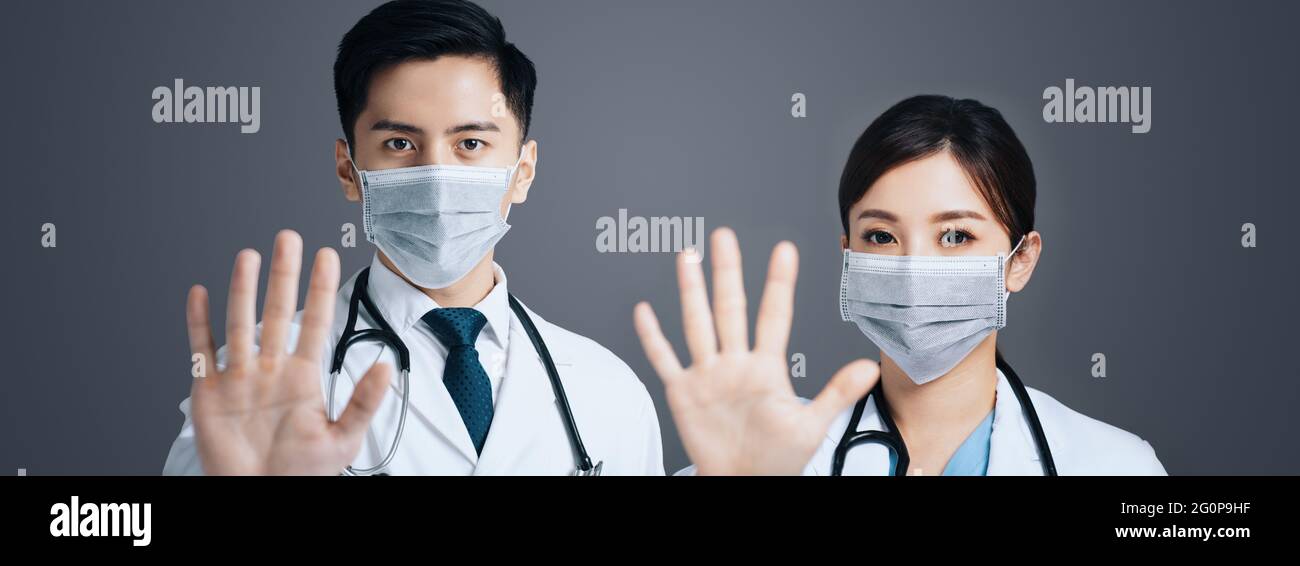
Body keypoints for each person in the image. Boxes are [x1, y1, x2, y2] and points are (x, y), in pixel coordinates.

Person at [163, 0, 663, 476]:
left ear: (523, 171)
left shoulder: (608, 391)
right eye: (399, 144)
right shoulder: (262, 379)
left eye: (470, 143)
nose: (436, 175)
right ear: (349, 170)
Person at [634, 95, 1167, 475]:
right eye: (882, 236)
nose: (915, 267)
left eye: (956, 235)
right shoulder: (769, 459)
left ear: (1020, 260)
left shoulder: (1115, 466)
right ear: (849, 256)